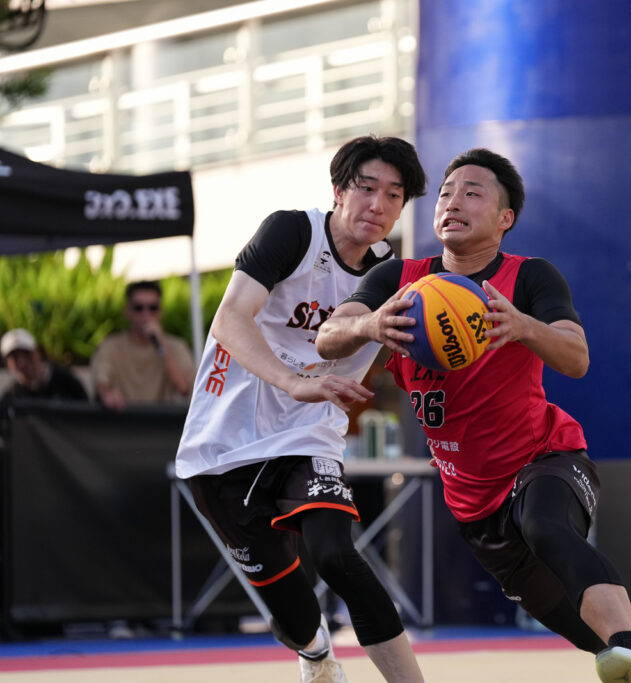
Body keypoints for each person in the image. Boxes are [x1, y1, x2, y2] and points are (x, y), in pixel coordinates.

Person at [315, 148, 631, 683]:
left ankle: (630, 643)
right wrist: (368, 325)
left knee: (547, 529)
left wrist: (523, 326)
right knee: (581, 630)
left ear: (505, 218)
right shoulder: (398, 280)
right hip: (473, 501)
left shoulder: (530, 277)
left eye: (473, 193)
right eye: (446, 192)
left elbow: (576, 358)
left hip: (544, 457)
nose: (453, 201)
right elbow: (328, 337)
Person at [174, 135, 428, 683]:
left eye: (394, 195)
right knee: (293, 613)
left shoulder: (393, 274)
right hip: (227, 437)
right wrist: (294, 382)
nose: (379, 205)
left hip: (310, 434)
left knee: (337, 556)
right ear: (338, 190)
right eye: (367, 188)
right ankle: (314, 653)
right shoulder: (293, 232)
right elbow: (230, 319)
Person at [90, 281, 195, 410]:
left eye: (153, 308)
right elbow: (101, 380)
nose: (146, 314)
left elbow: (184, 389)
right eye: (138, 308)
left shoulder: (176, 346)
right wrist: (107, 394)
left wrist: (162, 344)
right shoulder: (110, 346)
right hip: (121, 416)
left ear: (160, 311)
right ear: (127, 310)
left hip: (162, 420)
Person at [1, 328, 88, 402]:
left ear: (37, 352)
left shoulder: (66, 381)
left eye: (26, 353)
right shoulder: (11, 396)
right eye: (14, 357)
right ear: (7, 363)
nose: (22, 361)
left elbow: (86, 411)